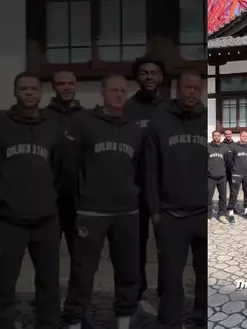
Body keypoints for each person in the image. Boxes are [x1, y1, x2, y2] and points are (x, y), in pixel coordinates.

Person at [62, 75, 143, 329]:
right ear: (103, 93)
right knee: (83, 272)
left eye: (123, 90)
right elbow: (70, 166)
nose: (119, 94)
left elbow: (139, 166)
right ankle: (74, 320)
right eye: (113, 90)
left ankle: (123, 321)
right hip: (91, 211)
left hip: (127, 212)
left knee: (128, 270)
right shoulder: (84, 122)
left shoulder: (134, 127)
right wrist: (81, 197)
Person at [0, 72, 67, 329]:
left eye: (33, 88)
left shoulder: (52, 127)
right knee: (4, 281)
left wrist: (49, 198)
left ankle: (48, 324)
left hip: (45, 220)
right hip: (9, 220)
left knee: (49, 281)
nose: (29, 92)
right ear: (15, 92)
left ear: (41, 93)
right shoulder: (2, 124)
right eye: (23, 88)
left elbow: (61, 169)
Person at [144, 71, 207, 328]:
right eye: (186, 88)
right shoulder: (159, 120)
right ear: (177, 90)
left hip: (204, 214)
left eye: (195, 88)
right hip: (171, 216)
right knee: (170, 277)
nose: (191, 92)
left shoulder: (208, 122)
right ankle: (170, 322)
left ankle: (202, 316)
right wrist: (155, 211)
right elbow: (150, 168)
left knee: (205, 275)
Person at [123, 55, 167, 301]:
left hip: (164, 188)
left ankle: (165, 294)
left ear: (161, 77)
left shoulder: (170, 108)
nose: (149, 77)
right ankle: (136, 295)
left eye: (153, 73)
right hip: (134, 187)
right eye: (144, 73)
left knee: (167, 246)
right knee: (135, 246)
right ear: (137, 77)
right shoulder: (128, 108)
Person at [46, 70, 84, 258]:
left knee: (80, 255)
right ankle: (48, 289)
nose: (66, 87)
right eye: (61, 84)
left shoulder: (87, 118)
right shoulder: (43, 118)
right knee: (47, 255)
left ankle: (78, 289)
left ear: (76, 86)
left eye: (70, 83)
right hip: (50, 199)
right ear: (53, 87)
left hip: (79, 199)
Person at [228, 131, 247, 220]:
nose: (245, 137)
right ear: (240, 137)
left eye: (246, 136)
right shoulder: (234, 146)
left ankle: (246, 211)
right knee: (234, 192)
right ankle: (231, 212)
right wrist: (234, 170)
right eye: (243, 136)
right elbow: (230, 161)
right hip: (236, 173)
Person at [209, 131, 230, 223]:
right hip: (210, 177)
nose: (216, 137)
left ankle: (222, 215)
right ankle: (208, 215)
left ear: (220, 137)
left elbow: (227, 162)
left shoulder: (225, 148)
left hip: (222, 177)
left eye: (218, 136)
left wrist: (223, 171)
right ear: (212, 136)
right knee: (208, 197)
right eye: (215, 136)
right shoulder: (207, 147)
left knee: (223, 197)